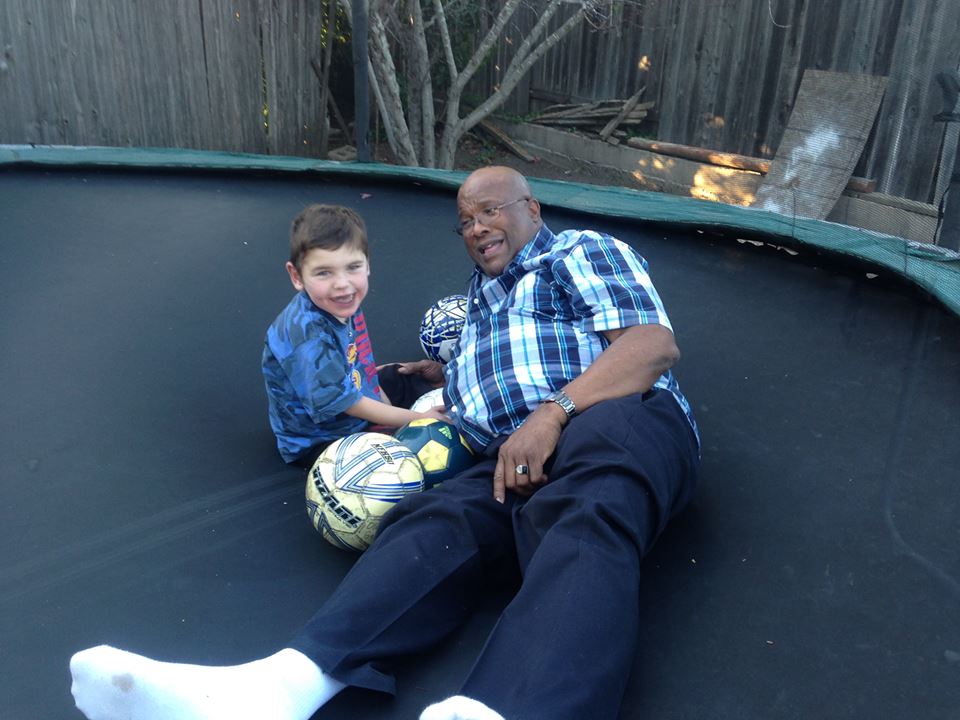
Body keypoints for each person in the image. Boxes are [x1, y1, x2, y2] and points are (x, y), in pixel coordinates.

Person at [69, 167, 700, 720]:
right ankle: (276, 689)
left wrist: (554, 412)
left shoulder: (578, 252)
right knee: (433, 523)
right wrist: (444, 377)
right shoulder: (481, 302)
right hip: (507, 451)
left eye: (489, 210)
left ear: (531, 209)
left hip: (615, 417)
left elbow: (650, 346)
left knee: (588, 508)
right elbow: (489, 380)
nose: (475, 227)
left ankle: (514, 707)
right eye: (464, 221)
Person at [261, 203, 446, 467]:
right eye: (324, 272)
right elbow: (350, 404)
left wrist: (382, 397)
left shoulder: (343, 302)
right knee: (406, 464)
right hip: (320, 438)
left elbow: (361, 359)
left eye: (353, 267)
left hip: (350, 395)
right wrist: (417, 419)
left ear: (367, 264)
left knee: (401, 376)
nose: (342, 283)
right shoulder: (307, 336)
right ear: (297, 276)